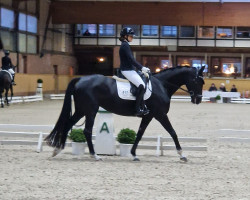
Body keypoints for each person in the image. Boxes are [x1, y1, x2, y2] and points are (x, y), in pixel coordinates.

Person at [119, 27, 150, 116]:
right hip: (127, 70)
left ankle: (142, 105)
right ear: (125, 36)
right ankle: (137, 109)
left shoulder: (126, 44)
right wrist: (142, 68)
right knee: (141, 85)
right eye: (131, 36)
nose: (132, 37)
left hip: (130, 70)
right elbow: (131, 59)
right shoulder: (125, 45)